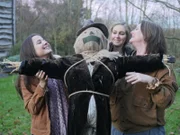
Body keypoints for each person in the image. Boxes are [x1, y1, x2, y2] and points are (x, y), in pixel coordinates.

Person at [5, 23, 170, 135]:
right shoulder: (67, 62)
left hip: (107, 120)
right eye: (39, 42)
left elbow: (134, 62)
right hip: (69, 121)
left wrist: (159, 59)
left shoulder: (112, 61)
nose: (45, 42)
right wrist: (22, 66)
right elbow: (44, 66)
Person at [110, 20, 178, 135]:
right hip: (116, 129)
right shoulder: (124, 61)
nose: (131, 32)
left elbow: (166, 101)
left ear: (147, 35)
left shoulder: (163, 67)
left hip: (146, 131)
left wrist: (151, 81)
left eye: (136, 29)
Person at [15, 34, 68, 135]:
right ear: (31, 50)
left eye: (44, 40)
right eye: (39, 42)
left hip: (68, 125)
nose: (45, 42)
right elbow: (32, 109)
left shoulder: (60, 65)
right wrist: (42, 85)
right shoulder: (26, 77)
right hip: (46, 131)